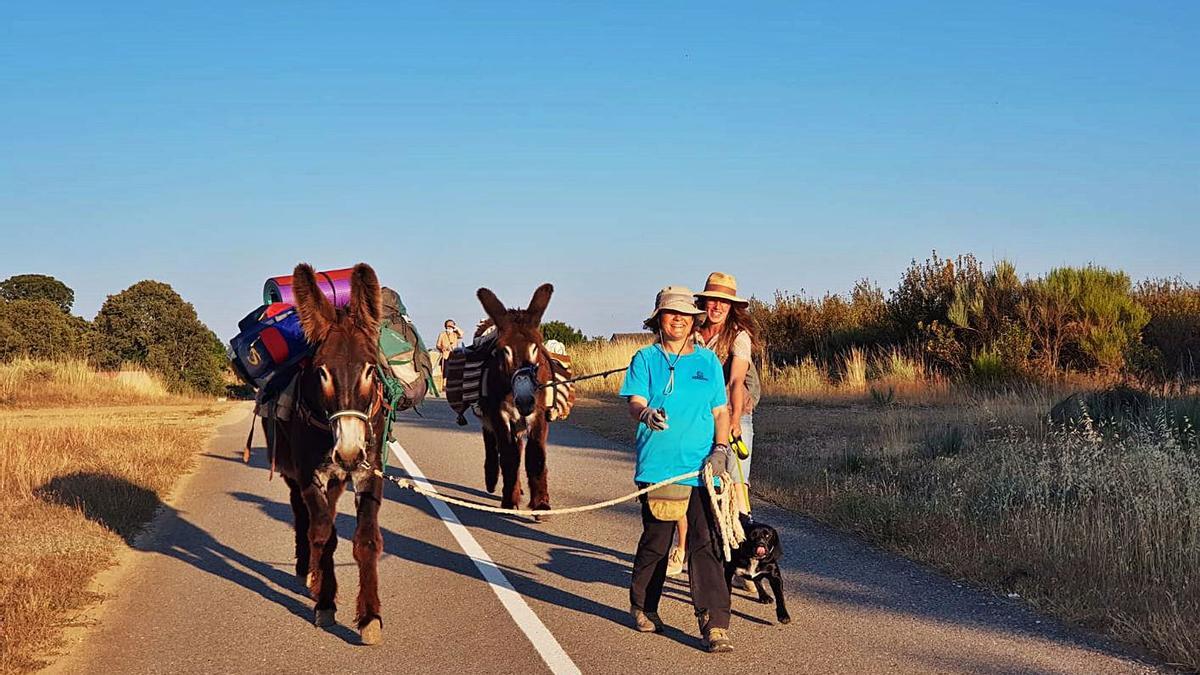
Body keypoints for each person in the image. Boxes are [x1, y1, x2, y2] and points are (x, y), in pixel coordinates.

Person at [620, 285, 734, 653]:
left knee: (706, 543)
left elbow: (721, 411)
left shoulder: (708, 363)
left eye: (685, 315)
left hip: (702, 469)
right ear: (659, 319)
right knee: (657, 540)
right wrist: (646, 414)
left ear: (694, 320)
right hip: (658, 467)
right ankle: (644, 607)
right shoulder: (644, 358)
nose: (679, 320)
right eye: (671, 314)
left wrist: (721, 449)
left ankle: (714, 624)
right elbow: (635, 401)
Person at [666, 272, 760, 579]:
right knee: (687, 480)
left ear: (732, 307)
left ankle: (743, 555)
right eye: (712, 300)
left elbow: (735, 380)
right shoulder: (692, 331)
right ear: (703, 302)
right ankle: (681, 547)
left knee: (736, 484)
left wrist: (733, 423)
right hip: (697, 415)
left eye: (723, 302)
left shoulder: (739, 337)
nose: (717, 307)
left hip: (733, 410)